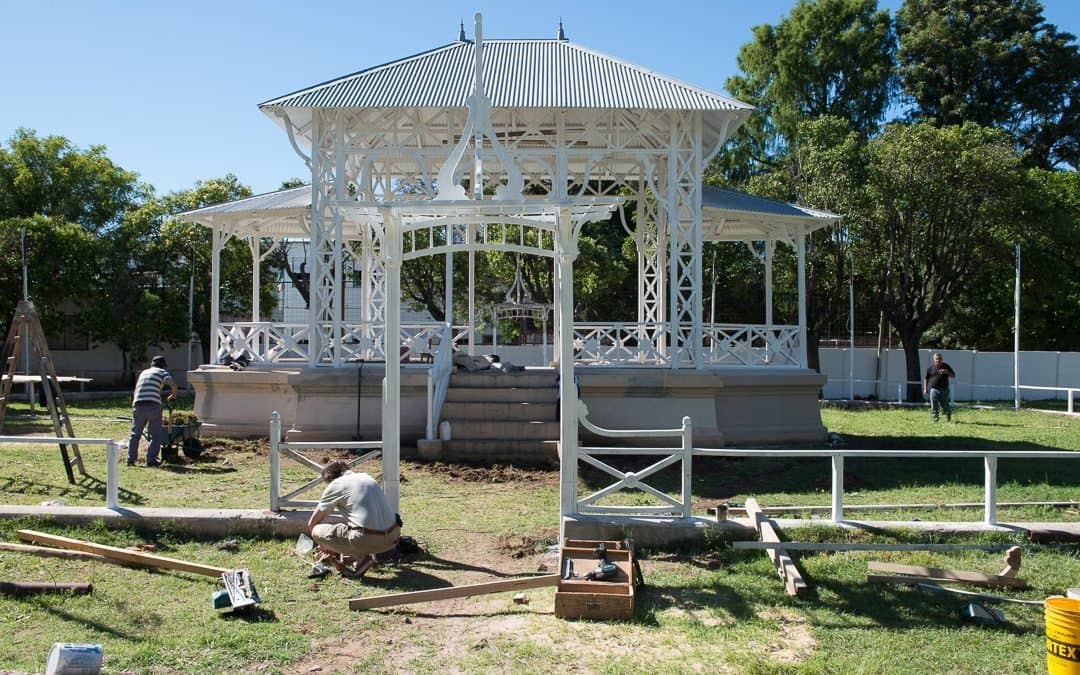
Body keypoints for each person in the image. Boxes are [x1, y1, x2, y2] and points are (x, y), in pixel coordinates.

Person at [307, 460, 401, 575]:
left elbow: (312, 523)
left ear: (329, 479)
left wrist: (325, 546)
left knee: (316, 530)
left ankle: (361, 557)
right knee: (350, 527)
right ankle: (363, 556)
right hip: (393, 538)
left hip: (367, 539)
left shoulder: (336, 485)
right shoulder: (367, 477)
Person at [127, 355, 179, 466]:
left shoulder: (143, 373)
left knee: (135, 434)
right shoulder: (162, 372)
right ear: (163, 366)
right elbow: (173, 385)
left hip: (138, 403)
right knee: (155, 435)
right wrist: (172, 396)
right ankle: (151, 460)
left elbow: (137, 389)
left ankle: (130, 459)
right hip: (153, 405)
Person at [923, 352, 956, 422]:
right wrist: (925, 388)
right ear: (934, 359)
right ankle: (935, 419)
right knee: (934, 405)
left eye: (939, 359)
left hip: (944, 389)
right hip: (933, 389)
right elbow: (926, 378)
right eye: (936, 359)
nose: (938, 360)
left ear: (942, 359)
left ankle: (948, 416)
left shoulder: (946, 366)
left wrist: (946, 372)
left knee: (945, 405)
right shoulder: (930, 368)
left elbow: (953, 375)